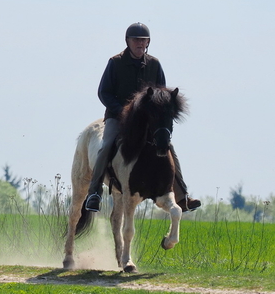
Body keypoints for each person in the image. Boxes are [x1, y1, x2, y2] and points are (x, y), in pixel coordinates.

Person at [84, 22, 201, 212]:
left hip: (146, 121)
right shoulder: (115, 62)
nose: (140, 43)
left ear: (148, 43)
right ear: (128, 41)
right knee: (106, 146)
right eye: (136, 40)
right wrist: (121, 110)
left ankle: (182, 196)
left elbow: (161, 94)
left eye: (143, 40)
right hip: (118, 117)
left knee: (168, 146)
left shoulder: (155, 64)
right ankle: (94, 192)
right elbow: (103, 92)